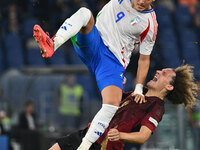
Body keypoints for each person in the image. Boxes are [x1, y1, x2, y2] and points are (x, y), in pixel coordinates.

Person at [33, 0, 158, 149]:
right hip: (94, 41)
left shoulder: (150, 23)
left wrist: (138, 88)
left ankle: (84, 147)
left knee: (112, 104)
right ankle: (53, 43)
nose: (142, 1)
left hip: (113, 62)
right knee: (85, 13)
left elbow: (144, 59)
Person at [49, 64, 197, 150]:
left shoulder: (157, 108)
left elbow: (143, 136)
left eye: (164, 73)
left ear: (169, 86)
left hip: (103, 146)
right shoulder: (139, 93)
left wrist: (120, 135)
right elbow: (112, 103)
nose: (158, 71)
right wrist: (120, 86)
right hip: (90, 132)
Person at [186, 77, 200, 150]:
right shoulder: (193, 95)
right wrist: (192, 122)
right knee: (196, 144)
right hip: (195, 125)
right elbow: (188, 109)